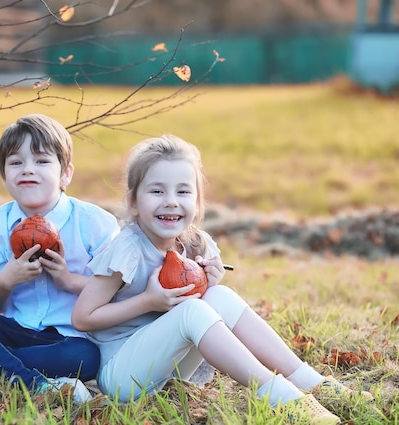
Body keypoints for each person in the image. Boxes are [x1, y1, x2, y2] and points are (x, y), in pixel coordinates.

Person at [71, 134, 372, 423]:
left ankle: (308, 380)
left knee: (217, 296)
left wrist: (207, 283)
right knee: (193, 310)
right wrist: (147, 301)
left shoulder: (193, 244)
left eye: (183, 191)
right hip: (123, 376)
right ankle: (279, 397)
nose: (171, 201)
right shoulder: (128, 249)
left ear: (199, 202)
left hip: (169, 369)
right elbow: (83, 317)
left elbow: (197, 311)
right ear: (134, 202)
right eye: (157, 191)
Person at [0, 113, 119, 403]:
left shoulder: (95, 223)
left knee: (84, 358)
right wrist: (6, 282)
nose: (27, 169)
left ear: (65, 173)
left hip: (69, 339)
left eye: (42, 160)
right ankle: (31, 382)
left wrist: (68, 280)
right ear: (4, 175)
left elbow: (115, 294)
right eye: (16, 162)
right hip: (12, 330)